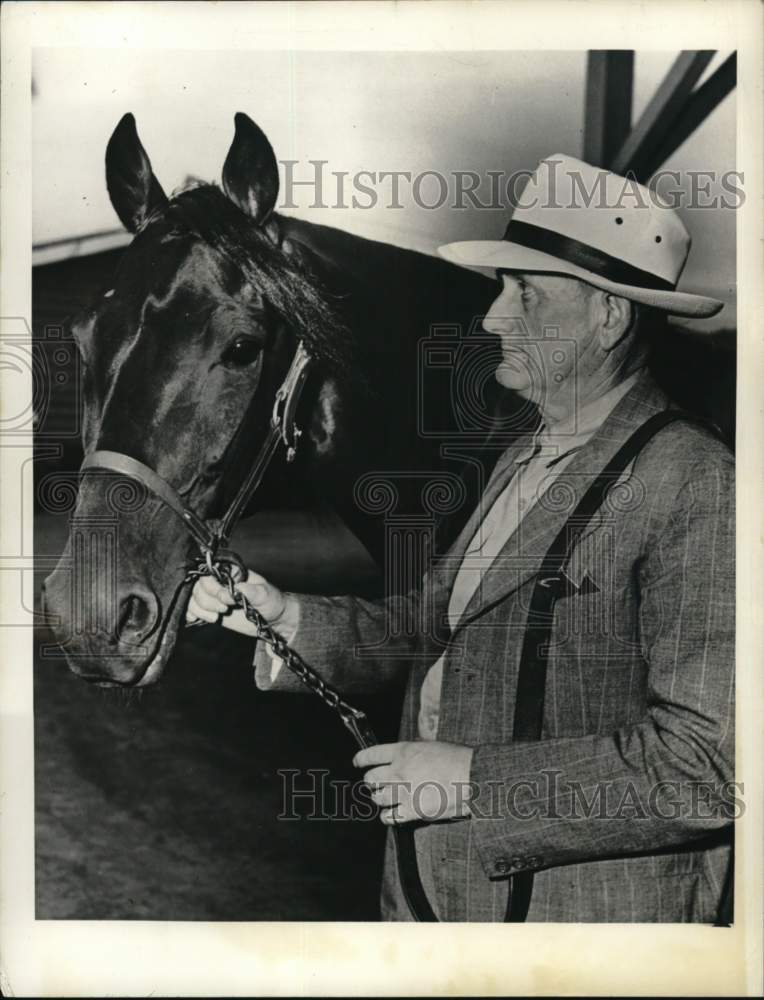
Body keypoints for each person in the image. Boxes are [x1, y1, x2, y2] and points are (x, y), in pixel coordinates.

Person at [187, 154, 735, 923]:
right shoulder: (525, 453)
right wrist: (287, 617)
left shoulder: (696, 480)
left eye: (527, 294)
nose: (491, 319)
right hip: (430, 902)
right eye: (501, 289)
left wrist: (471, 782)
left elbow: (704, 768)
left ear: (609, 318)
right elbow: (428, 626)